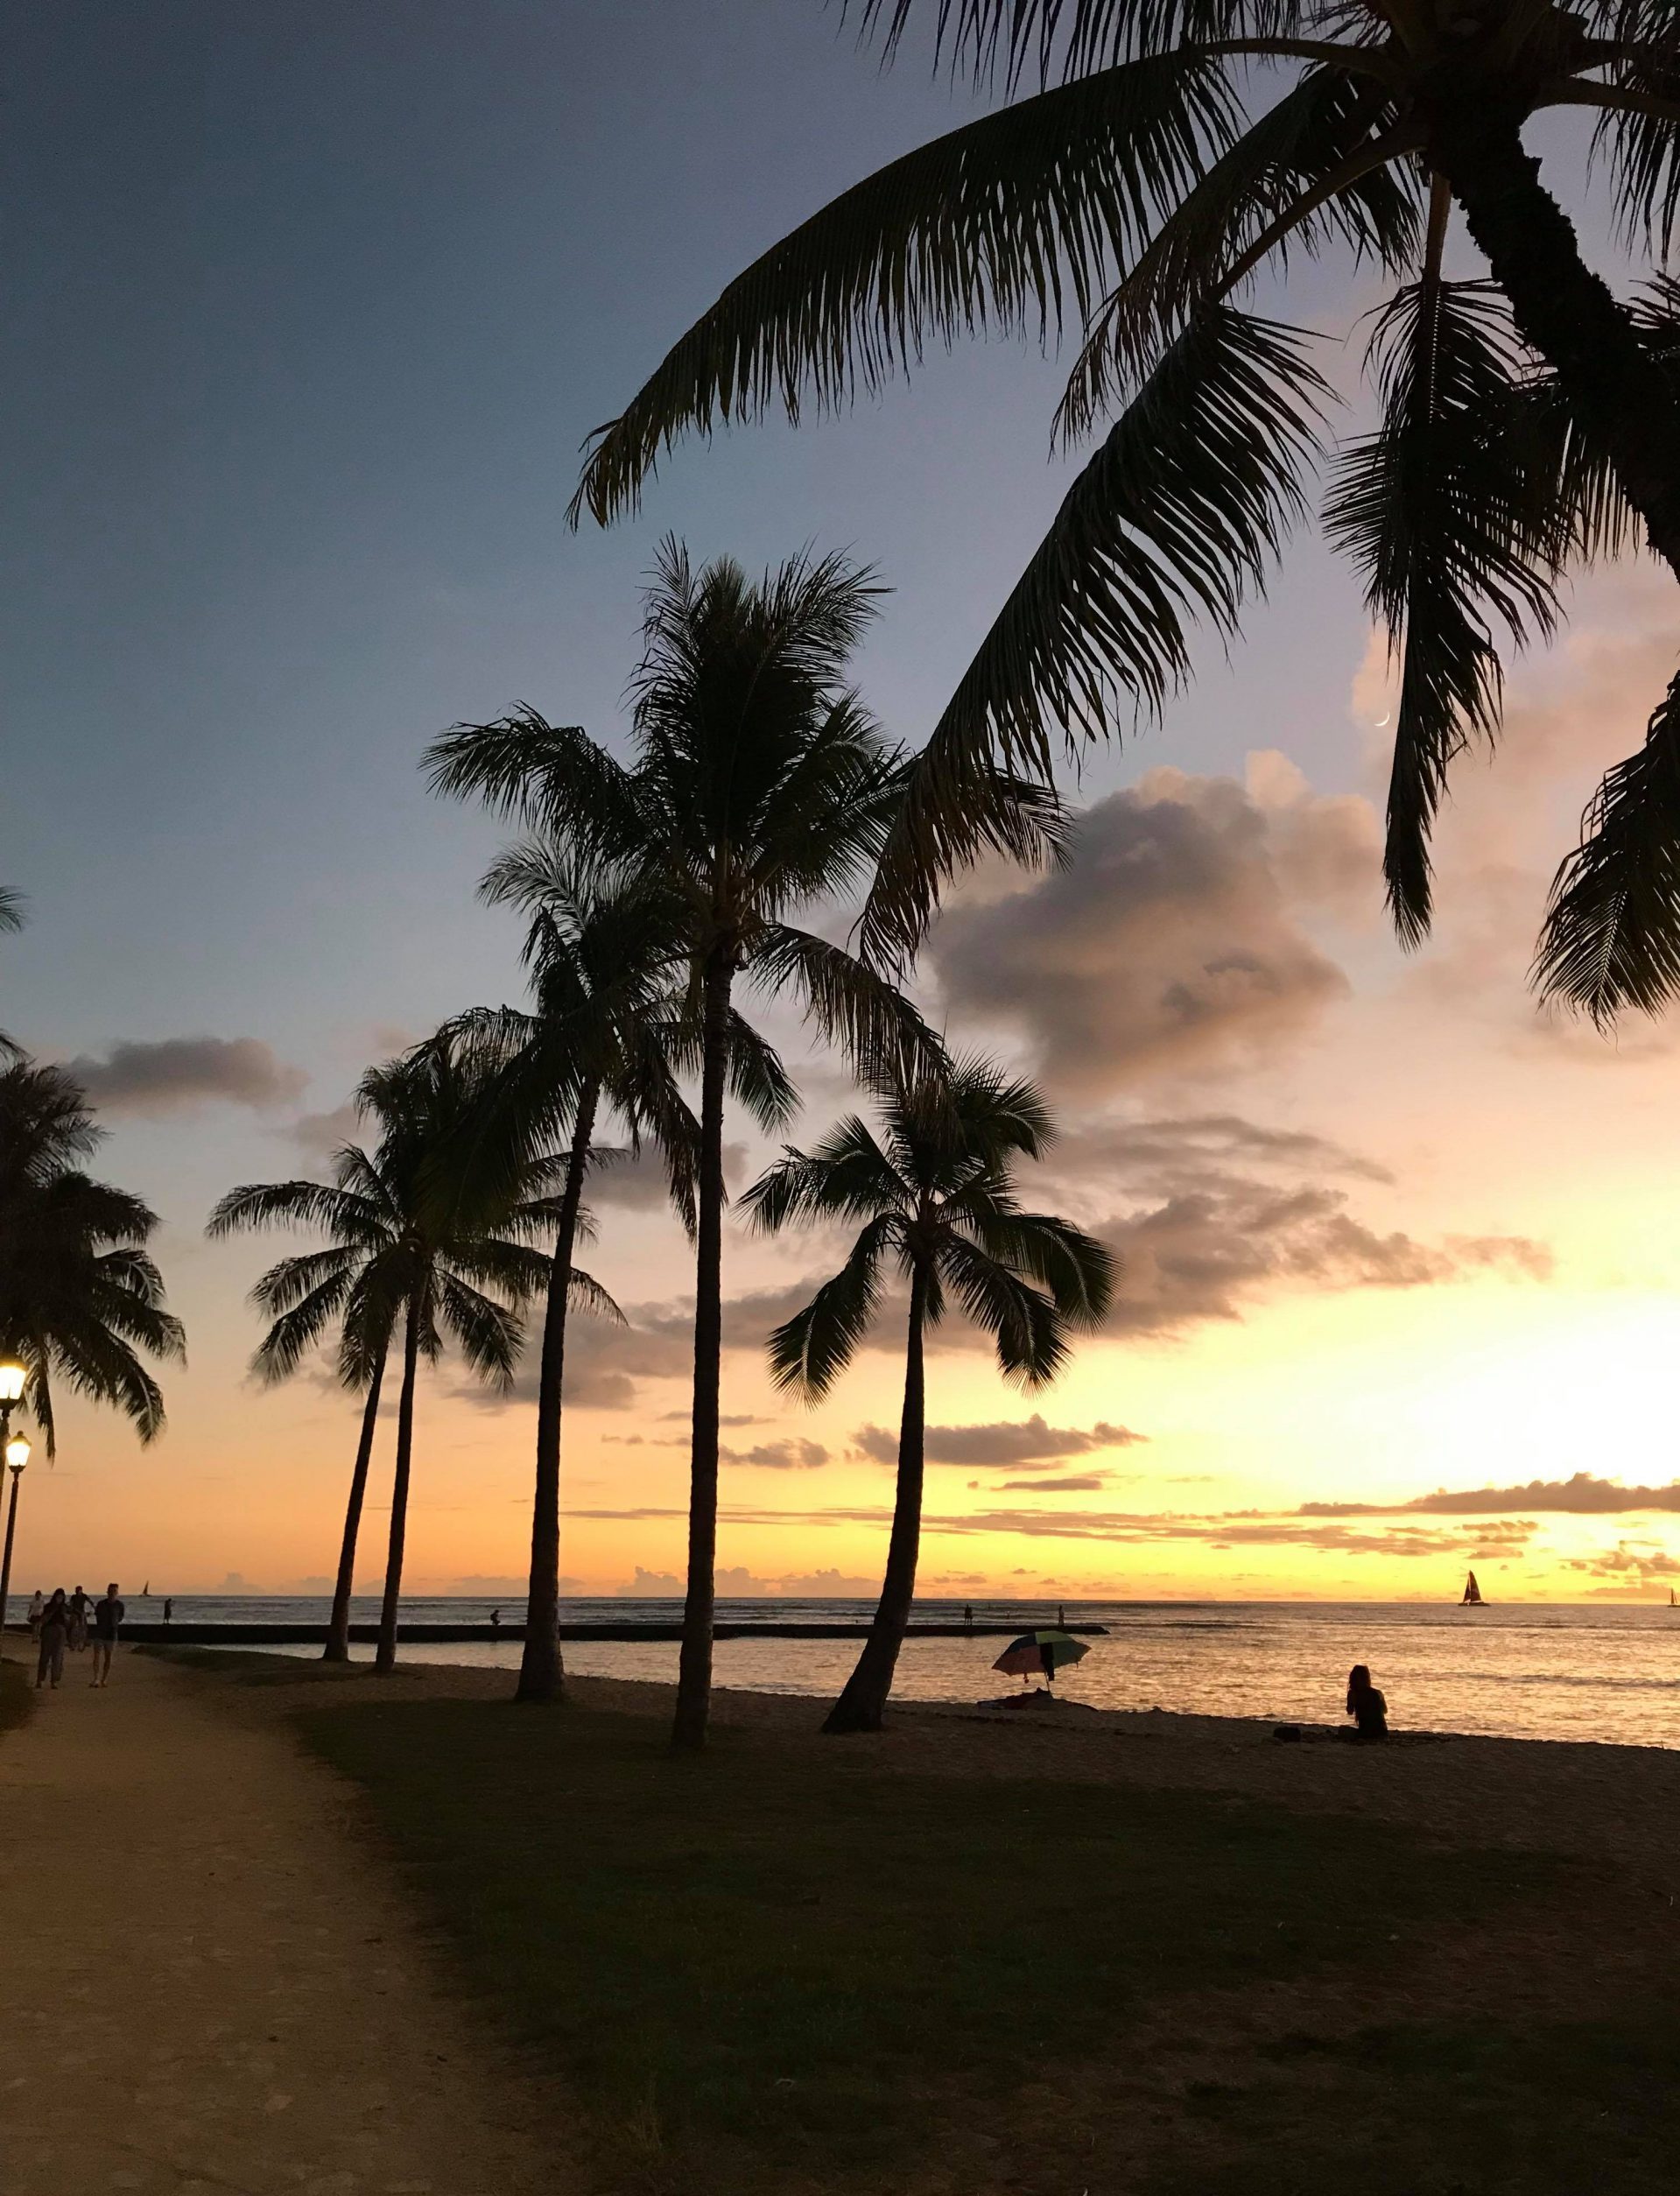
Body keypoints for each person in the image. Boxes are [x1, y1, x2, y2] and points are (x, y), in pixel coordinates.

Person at [91, 1582, 124, 1688]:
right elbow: (97, 1616)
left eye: (114, 1591)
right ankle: (96, 1678)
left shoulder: (119, 1605)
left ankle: (104, 1679)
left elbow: (120, 1617)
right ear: (107, 1591)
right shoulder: (101, 1604)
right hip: (100, 1633)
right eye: (110, 1591)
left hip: (112, 1634)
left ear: (117, 1592)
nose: (112, 1593)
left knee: (108, 1657)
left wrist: (114, 1624)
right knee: (97, 1656)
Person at [1345, 1664, 1388, 1742]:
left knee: (1342, 1730)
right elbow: (1385, 1711)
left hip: (1365, 1733)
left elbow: (1350, 1712)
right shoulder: (1379, 1693)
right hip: (1383, 1732)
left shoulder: (1353, 1693)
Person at [35, 1589, 69, 1689]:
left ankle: (54, 1681)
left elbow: (68, 1622)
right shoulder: (49, 1607)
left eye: (61, 1597)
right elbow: (43, 1620)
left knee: (57, 1657)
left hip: (60, 1631)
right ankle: (40, 1679)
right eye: (58, 1597)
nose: (59, 1599)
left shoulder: (64, 1608)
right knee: (45, 1656)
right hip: (49, 1631)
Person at [67, 1585, 91, 1653]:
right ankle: (72, 1643)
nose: (77, 1592)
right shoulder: (74, 1597)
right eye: (76, 1590)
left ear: (81, 1590)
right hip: (75, 1613)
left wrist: (93, 1607)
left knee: (84, 1628)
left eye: (78, 1590)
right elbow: (71, 1605)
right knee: (73, 1627)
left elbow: (90, 1601)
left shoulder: (84, 1596)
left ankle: (83, 1642)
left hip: (81, 1613)